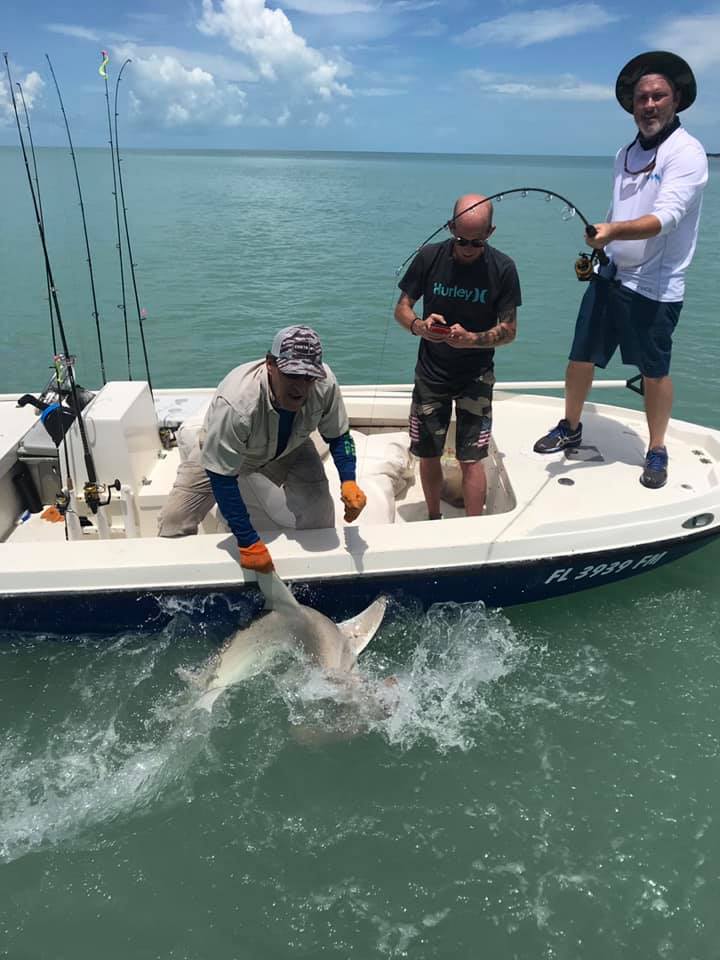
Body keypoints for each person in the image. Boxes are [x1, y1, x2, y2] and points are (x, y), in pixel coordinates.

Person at [533, 50, 708, 489]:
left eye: (658, 96)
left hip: (655, 285)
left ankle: (657, 448)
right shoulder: (624, 154)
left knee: (654, 370)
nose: (648, 105)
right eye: (641, 98)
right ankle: (571, 425)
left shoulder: (686, 153)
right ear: (631, 105)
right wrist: (602, 245)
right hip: (611, 273)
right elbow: (620, 208)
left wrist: (612, 229)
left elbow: (665, 217)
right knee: (579, 356)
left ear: (676, 99)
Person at [158, 325, 367, 573]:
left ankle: (316, 574)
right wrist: (247, 541)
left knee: (320, 511)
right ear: (271, 364)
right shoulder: (237, 402)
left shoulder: (325, 384)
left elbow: (339, 435)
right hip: (227, 453)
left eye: (309, 377)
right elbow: (221, 476)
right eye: (292, 375)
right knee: (174, 520)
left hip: (291, 447)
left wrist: (349, 480)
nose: (300, 387)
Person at [394, 194, 521, 518]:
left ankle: (473, 527)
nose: (467, 248)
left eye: (476, 243)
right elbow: (402, 309)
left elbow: (509, 330)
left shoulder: (503, 268)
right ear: (450, 227)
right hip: (431, 373)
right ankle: (433, 516)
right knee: (428, 452)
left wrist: (473, 340)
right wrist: (420, 326)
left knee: (471, 457)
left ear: (490, 233)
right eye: (461, 239)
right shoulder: (428, 258)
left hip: (476, 377)